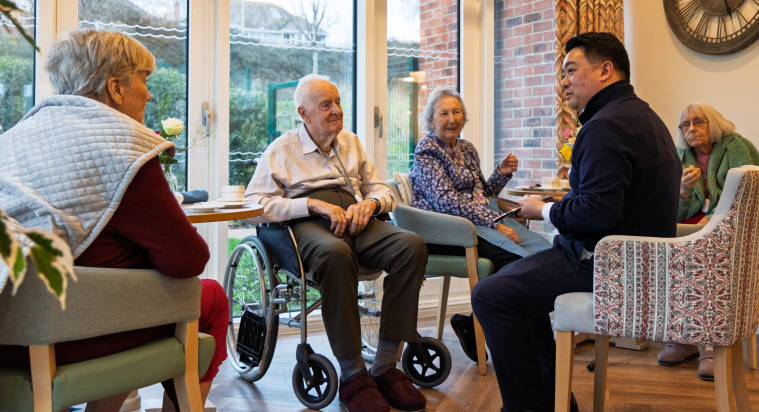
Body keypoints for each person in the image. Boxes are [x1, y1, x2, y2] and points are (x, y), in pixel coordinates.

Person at [0, 30, 228, 412]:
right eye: (145, 79)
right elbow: (187, 259)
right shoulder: (121, 147)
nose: (150, 94)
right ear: (116, 89)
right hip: (67, 335)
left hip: (10, 327)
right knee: (213, 298)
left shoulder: (15, 138)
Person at [471, 32, 682, 412]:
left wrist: (543, 211)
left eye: (571, 70)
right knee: (516, 287)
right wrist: (567, 203)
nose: (564, 81)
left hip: (609, 265)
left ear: (605, 71)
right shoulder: (646, 117)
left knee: (491, 295)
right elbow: (618, 203)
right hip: (642, 262)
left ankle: (530, 406)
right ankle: (553, 403)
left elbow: (597, 214)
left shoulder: (606, 125)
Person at [244, 74, 428, 412]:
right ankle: (354, 375)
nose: (336, 110)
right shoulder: (282, 150)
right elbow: (255, 205)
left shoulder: (351, 142)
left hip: (355, 218)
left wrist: (370, 204)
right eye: (325, 105)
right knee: (335, 252)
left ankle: (386, 365)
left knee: (411, 245)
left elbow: (381, 189)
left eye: (338, 102)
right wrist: (311, 205)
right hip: (306, 225)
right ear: (304, 113)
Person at [409, 87, 552, 362]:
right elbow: (447, 202)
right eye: (443, 113)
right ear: (430, 121)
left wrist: (501, 174)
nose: (452, 119)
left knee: (546, 256)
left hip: (482, 219)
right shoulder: (426, 153)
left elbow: (482, 194)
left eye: (457, 112)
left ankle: (475, 323)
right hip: (450, 230)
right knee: (521, 265)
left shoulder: (467, 148)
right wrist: (495, 224)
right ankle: (526, 346)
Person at [658, 102, 759, 380]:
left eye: (698, 122)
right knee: (667, 252)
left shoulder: (736, 147)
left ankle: (711, 343)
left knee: (705, 253)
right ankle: (685, 336)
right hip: (696, 226)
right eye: (685, 125)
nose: (691, 129)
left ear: (714, 123)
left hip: (735, 231)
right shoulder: (681, 156)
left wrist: (711, 219)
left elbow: (747, 195)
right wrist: (684, 191)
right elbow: (672, 210)